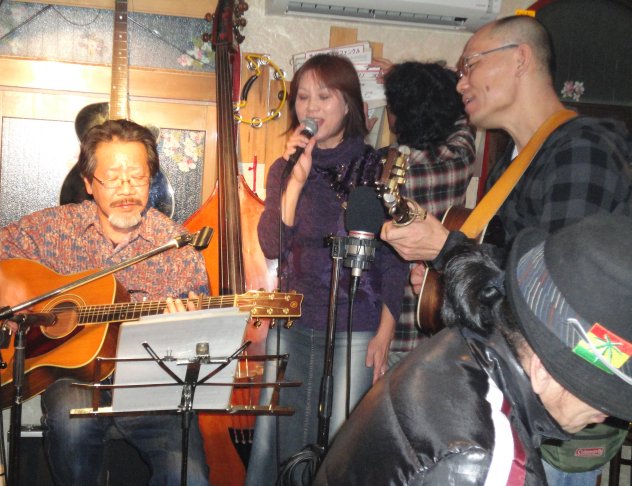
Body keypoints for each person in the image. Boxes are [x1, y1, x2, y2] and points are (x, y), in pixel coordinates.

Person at [380, 15, 632, 483]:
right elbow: (497, 282)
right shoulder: (512, 164)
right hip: (516, 405)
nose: (461, 83)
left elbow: (558, 307)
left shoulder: (583, 149)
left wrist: (446, 250)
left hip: (557, 422)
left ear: (520, 59)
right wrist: (441, 277)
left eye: (470, 65)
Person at [315, 214, 632, 485]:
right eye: (599, 393)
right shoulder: (489, 462)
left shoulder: (464, 343)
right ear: (543, 369)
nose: (605, 415)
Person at [0, 119, 210, 485]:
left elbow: (201, 342)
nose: (126, 188)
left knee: (190, 474)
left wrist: (186, 328)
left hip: (150, 382)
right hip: (72, 377)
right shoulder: (55, 227)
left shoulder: (178, 246)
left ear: (151, 180)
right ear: (89, 183)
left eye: (137, 177)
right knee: (70, 423)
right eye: (113, 178)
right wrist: (1, 283)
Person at [246, 54, 407, 484]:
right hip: (293, 321)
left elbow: (394, 261)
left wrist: (386, 332)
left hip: (357, 323)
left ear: (348, 103)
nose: (311, 107)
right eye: (302, 97)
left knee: (341, 442)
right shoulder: (284, 168)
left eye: (324, 96)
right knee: (276, 438)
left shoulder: (377, 168)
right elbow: (271, 244)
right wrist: (295, 181)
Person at [376, 60, 476, 365]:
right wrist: (420, 82)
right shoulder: (460, 156)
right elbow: (464, 117)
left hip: (390, 326)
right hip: (439, 318)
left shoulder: (385, 169)